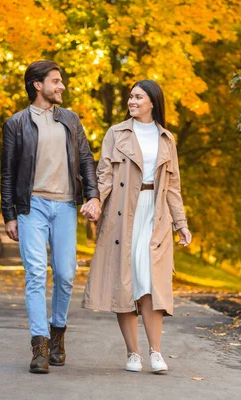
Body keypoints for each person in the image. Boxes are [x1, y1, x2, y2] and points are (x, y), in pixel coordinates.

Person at [82, 79, 192, 374]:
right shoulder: (116, 133)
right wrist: (95, 202)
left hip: (154, 215)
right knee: (125, 282)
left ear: (153, 102)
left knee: (150, 283)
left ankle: (156, 352)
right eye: (130, 97)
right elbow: (104, 173)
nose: (132, 101)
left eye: (138, 97)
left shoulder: (167, 139)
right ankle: (133, 354)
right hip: (122, 213)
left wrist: (181, 223)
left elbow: (173, 187)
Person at [0, 60, 101, 374]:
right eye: (56, 81)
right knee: (35, 274)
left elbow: (86, 160)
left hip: (66, 207)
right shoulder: (16, 123)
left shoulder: (71, 120)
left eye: (61, 81)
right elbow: (7, 172)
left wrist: (93, 196)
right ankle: (39, 347)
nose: (62, 86)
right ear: (37, 85)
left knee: (66, 274)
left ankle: (58, 334)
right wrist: (9, 214)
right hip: (32, 208)